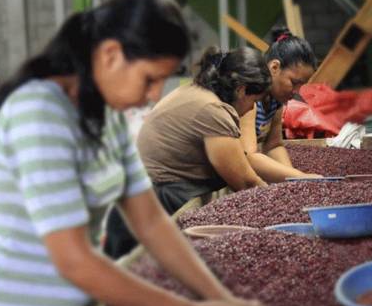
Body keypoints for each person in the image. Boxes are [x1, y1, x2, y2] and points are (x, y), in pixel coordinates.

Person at [0, 0, 275, 306]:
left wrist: (223, 300)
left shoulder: (107, 116)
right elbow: (74, 260)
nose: (153, 96)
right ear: (111, 55)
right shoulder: (40, 112)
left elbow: (151, 222)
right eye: (150, 79)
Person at [104, 46, 270, 259]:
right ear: (241, 90)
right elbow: (245, 181)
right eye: (254, 102)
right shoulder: (212, 110)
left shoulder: (196, 92)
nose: (251, 110)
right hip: (157, 202)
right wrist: (279, 202)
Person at [240, 28, 320, 182]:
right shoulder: (249, 100)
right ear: (274, 68)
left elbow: (273, 146)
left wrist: (294, 179)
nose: (297, 91)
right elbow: (250, 157)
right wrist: (300, 177)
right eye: (294, 82)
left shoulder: (275, 102)